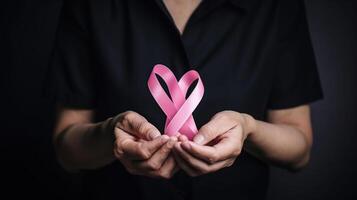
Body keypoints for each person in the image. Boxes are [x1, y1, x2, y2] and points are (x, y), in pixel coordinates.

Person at [48, 0, 323, 199]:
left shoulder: (277, 7)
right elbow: (66, 150)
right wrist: (110, 135)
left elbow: (299, 150)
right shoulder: (90, 6)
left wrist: (248, 128)